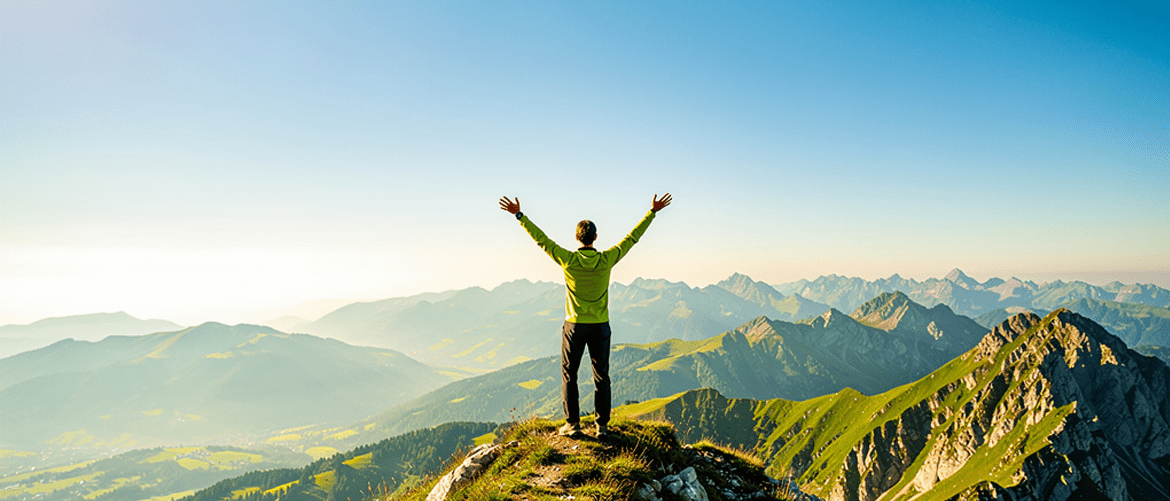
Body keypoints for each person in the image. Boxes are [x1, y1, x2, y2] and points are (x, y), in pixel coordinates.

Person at [498, 193, 672, 438]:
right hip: (601, 326)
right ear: (595, 238)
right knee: (602, 376)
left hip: (575, 326)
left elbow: (543, 241)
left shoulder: (568, 260)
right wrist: (651, 212)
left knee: (570, 375)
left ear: (577, 238)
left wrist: (519, 215)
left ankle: (573, 424)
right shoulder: (606, 260)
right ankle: (602, 426)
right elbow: (631, 239)